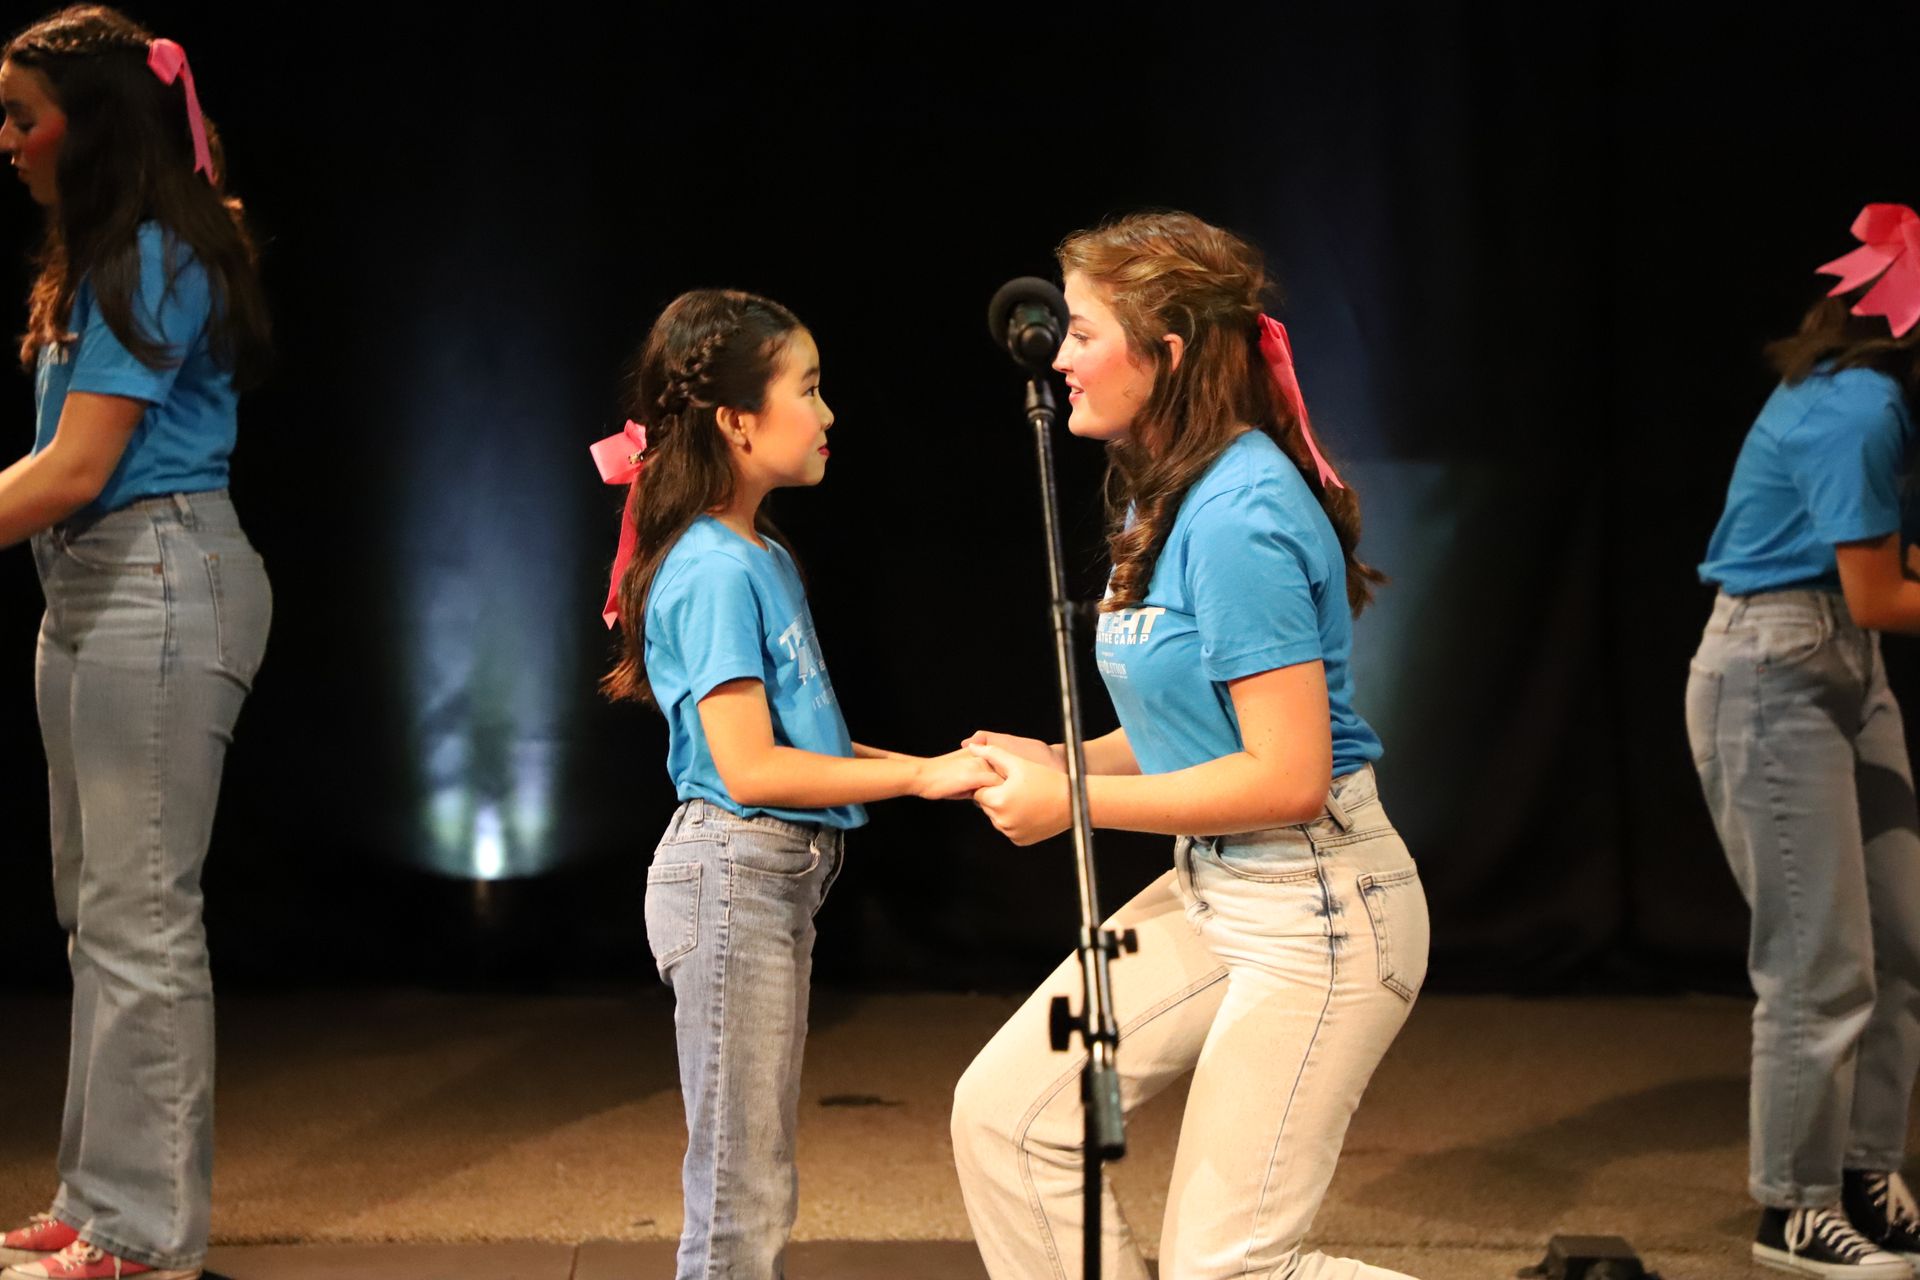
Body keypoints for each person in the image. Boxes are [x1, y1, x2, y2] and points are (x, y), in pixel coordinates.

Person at [951, 210, 1429, 1280]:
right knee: (1004, 1118)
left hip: (1319, 909)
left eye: (1081, 331)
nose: (1059, 357)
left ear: (1166, 354)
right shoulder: (1163, 490)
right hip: (1218, 886)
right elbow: (1191, 729)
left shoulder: (1239, 513)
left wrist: (1073, 801)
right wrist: (1065, 759)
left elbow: (1288, 776)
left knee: (1229, 1266)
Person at [595, 288, 996, 1280]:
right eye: (808, 391)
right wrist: (921, 778)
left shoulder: (763, 557)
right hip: (733, 874)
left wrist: (938, 766)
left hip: (770, 877)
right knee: (740, 1193)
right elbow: (750, 766)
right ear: (736, 419)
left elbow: (808, 740)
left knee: (757, 1176)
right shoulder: (712, 570)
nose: (827, 415)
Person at [0, 7, 272, 1280]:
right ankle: (98, 1192)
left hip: (158, 583)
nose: (7, 140)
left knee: (141, 915)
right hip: (94, 594)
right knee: (93, 908)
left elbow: (79, 467)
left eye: (23, 115)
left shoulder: (160, 253)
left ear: (92, 125)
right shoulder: (102, 256)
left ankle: (145, 1232)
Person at [1688, 202, 1920, 1279]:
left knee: (1902, 946)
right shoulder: (1855, 410)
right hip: (1778, 667)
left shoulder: (1877, 399)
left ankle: (1864, 1169)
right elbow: (1878, 594)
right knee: (1819, 963)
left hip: (1839, 664)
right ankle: (1792, 1205)